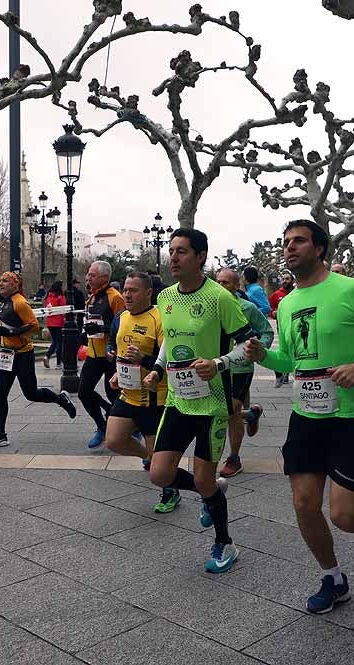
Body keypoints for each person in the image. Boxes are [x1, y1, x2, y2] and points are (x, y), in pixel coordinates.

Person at [245, 219, 354, 615]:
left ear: (319, 248)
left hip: (350, 416)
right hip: (306, 416)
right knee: (303, 504)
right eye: (285, 242)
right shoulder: (285, 304)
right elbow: (292, 359)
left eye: (298, 241)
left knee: (346, 517)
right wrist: (263, 355)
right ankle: (333, 579)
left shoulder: (351, 290)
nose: (289, 248)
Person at [142, 228, 252, 573]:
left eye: (182, 252)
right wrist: (159, 368)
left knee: (204, 478)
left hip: (212, 404)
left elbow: (248, 348)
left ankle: (225, 542)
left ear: (201, 256)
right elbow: (169, 339)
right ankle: (209, 492)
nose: (173, 258)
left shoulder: (220, 297)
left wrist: (218, 363)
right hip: (178, 399)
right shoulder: (165, 297)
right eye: (171, 251)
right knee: (159, 475)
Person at [0, 272, 77, 447]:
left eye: (5, 281)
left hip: (22, 355)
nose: (0, 284)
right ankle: (0, 434)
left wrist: (11, 333)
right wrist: (0, 339)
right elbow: (8, 323)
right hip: (5, 355)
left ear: (15, 285)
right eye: (0, 280)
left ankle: (60, 399)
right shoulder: (6, 302)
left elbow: (33, 326)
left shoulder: (20, 302)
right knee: (0, 394)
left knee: (31, 394)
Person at [103, 272, 170, 506]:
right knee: (113, 440)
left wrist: (144, 359)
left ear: (148, 293)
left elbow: (167, 361)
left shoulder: (159, 319)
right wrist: (117, 373)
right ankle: (148, 457)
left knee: (161, 470)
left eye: (133, 290)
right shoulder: (121, 318)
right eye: (125, 289)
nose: (127, 295)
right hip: (127, 392)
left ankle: (171, 491)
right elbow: (119, 350)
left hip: (154, 397)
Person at [216, 268, 272, 478]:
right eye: (218, 282)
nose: (221, 287)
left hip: (240, 367)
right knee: (223, 411)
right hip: (217, 366)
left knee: (230, 411)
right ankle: (250, 414)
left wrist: (258, 350)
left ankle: (234, 458)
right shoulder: (209, 307)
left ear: (236, 286)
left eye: (226, 283)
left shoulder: (247, 308)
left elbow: (266, 330)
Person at [79, 261, 125, 449]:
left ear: (105, 278)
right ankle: (102, 425)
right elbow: (91, 321)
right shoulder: (91, 297)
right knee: (84, 392)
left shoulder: (115, 297)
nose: (88, 278)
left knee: (113, 393)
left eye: (92, 275)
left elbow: (122, 325)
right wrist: (86, 332)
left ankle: (130, 428)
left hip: (110, 354)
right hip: (93, 353)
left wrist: (101, 328)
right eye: (88, 274)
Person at [269, 273, 294, 389]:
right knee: (284, 349)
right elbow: (270, 310)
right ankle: (282, 373)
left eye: (287, 279)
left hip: (297, 327)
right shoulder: (276, 295)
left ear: (292, 280)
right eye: (283, 279)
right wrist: (273, 313)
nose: (284, 281)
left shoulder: (297, 292)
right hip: (282, 328)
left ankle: (287, 374)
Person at [43, 280, 66, 369]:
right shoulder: (60, 297)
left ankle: (47, 356)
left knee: (55, 341)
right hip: (58, 322)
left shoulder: (48, 297)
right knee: (59, 342)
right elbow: (63, 309)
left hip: (50, 322)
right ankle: (58, 363)